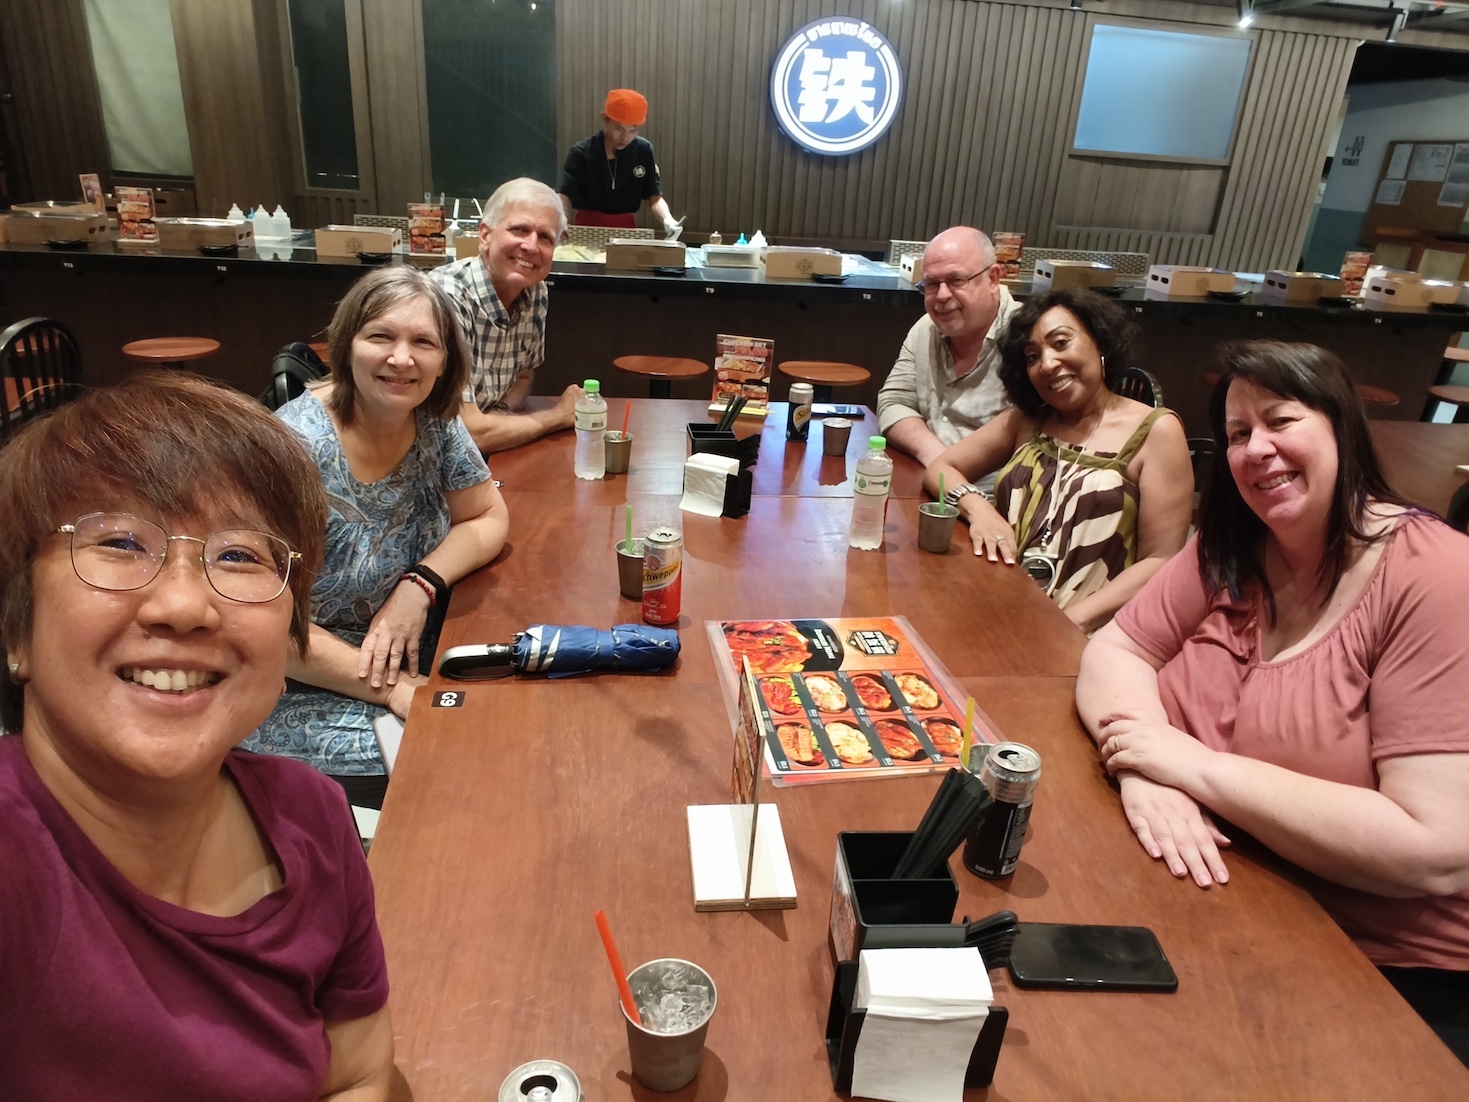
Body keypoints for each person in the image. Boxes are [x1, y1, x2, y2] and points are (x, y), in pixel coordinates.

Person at [0, 372, 393, 1098]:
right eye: (120, 542)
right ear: (15, 628)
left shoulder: (312, 814)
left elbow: (359, 1074)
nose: (184, 605)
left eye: (240, 555)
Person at [1076, 340, 1469, 1063]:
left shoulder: (1438, 576)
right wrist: (1140, 765)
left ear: (1341, 427)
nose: (1256, 449)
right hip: (1215, 899)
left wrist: (1192, 767)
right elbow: (1116, 651)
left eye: (1280, 421)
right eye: (1236, 434)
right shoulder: (1234, 543)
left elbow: (1435, 850)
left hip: (1381, 972)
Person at [245, 267, 508, 809]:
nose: (402, 358)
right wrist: (392, 689)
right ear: (347, 345)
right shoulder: (291, 448)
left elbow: (486, 515)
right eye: (381, 336)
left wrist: (419, 585)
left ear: (446, 361)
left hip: (414, 645)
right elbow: (253, 615)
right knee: (462, 766)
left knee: (517, 712)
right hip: (303, 678)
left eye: (424, 343)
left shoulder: (434, 421)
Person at [923, 286, 1192, 633]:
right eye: (1032, 356)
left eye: (1061, 343)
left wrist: (1066, 624)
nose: (1047, 364)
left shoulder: (1157, 431)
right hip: (996, 608)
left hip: (1087, 631)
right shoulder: (1028, 419)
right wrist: (979, 510)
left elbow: (1161, 560)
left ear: (1100, 342)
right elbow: (941, 469)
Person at [430, 177, 583, 453]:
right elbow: (467, 434)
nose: (531, 246)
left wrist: (498, 415)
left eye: (545, 237)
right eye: (519, 230)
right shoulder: (445, 297)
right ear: (485, 235)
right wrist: (559, 415)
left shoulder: (535, 292)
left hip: (480, 458)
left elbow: (522, 377)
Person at [876, 227, 1021, 471]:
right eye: (932, 283)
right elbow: (894, 402)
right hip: (928, 476)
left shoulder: (1030, 337)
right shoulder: (926, 328)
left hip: (992, 490)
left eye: (956, 280)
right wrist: (936, 458)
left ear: (993, 278)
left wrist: (948, 471)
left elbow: (1036, 432)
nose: (942, 296)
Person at [556, 88, 683, 236]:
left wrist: (667, 219)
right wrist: (560, 217)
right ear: (605, 119)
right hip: (587, 228)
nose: (625, 137)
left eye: (633, 131)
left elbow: (655, 198)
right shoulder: (582, 152)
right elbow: (563, 194)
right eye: (619, 128)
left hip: (626, 230)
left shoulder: (643, 150)